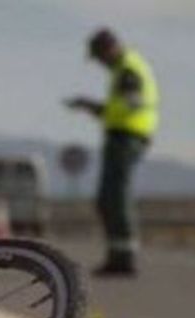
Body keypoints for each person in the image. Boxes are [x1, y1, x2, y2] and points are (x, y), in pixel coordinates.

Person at [66, 28, 159, 277]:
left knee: (115, 197)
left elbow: (129, 105)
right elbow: (119, 107)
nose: (99, 63)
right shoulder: (123, 69)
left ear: (108, 49)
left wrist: (96, 108)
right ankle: (118, 255)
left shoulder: (128, 69)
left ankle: (124, 258)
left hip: (126, 137)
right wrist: (91, 106)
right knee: (109, 197)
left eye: (99, 57)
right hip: (124, 135)